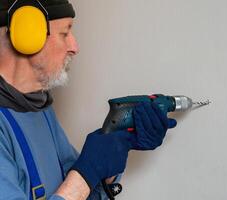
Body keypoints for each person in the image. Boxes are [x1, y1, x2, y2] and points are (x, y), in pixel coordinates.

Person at [0, 0, 177, 200]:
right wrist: (87, 173)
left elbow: (76, 189)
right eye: (65, 33)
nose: (74, 47)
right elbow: (79, 181)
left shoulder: (38, 106)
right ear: (26, 35)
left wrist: (112, 153)